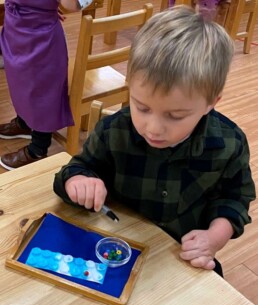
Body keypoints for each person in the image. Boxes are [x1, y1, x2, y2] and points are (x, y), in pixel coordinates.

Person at [53, 6, 256, 275]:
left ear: (211, 102)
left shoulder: (229, 144)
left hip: (178, 255)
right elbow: (76, 169)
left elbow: (236, 198)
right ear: (130, 85)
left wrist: (214, 238)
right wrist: (78, 181)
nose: (154, 128)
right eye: (142, 107)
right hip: (114, 248)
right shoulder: (113, 131)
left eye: (175, 115)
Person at [0, 0, 93, 170]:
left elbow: (73, 5)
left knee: (42, 89)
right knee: (19, 81)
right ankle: (24, 123)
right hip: (16, 25)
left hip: (41, 36)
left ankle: (38, 148)